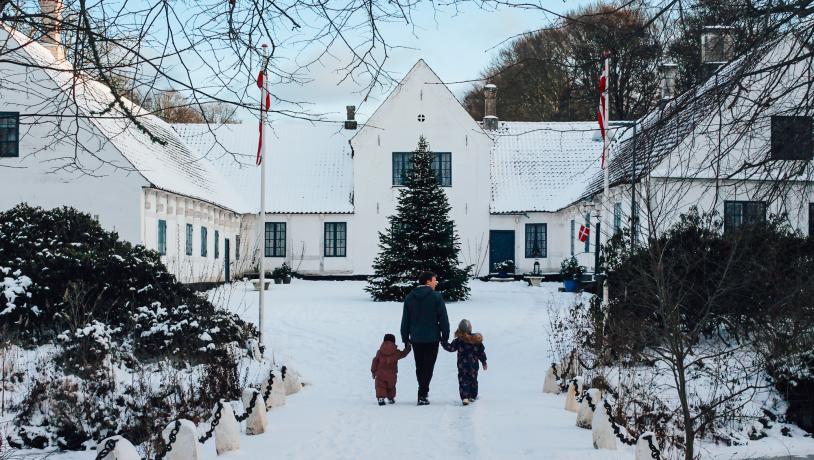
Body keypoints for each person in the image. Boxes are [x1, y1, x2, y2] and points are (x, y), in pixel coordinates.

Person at [401, 271, 450, 406]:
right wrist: (445, 336)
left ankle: (422, 392)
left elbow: (405, 320)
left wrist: (405, 338)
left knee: (420, 366)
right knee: (428, 366)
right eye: (435, 280)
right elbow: (443, 319)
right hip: (432, 337)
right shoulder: (436, 297)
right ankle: (422, 393)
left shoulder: (410, 298)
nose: (436, 282)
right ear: (428, 282)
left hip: (416, 338)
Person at [442, 319, 488, 406]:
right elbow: (481, 353)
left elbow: (451, 348)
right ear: (470, 329)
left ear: (459, 330)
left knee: (463, 381)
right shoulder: (476, 341)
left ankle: (465, 398)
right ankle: (473, 396)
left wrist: (443, 343)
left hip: (462, 366)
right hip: (473, 366)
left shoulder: (459, 341)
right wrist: (484, 362)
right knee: (473, 380)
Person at [371, 333, 412, 405]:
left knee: (380, 386)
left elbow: (375, 361)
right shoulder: (396, 352)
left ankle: (381, 398)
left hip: (380, 374)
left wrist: (373, 371)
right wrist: (408, 348)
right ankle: (391, 398)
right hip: (392, 375)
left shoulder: (379, 352)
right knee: (391, 387)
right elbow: (403, 354)